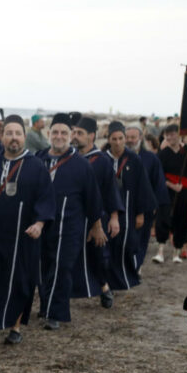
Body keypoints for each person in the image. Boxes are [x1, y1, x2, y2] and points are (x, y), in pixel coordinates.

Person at [0, 115, 54, 345]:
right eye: (9, 133)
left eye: (17, 133)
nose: (13, 138)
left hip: (22, 236)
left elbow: (46, 198)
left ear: (24, 136)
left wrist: (39, 224)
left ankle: (15, 327)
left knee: (20, 282)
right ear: (2, 136)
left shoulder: (36, 166)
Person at [36, 114, 102, 329]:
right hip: (41, 225)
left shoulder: (81, 164)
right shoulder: (38, 159)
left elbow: (92, 198)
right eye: (55, 132)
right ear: (48, 134)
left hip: (69, 226)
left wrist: (96, 226)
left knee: (62, 268)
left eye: (64, 132)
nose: (59, 136)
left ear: (70, 135)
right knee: (44, 266)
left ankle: (55, 314)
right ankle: (46, 306)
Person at [71, 116, 122, 308]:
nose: (75, 136)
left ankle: (104, 287)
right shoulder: (70, 158)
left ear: (91, 136)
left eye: (80, 133)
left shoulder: (102, 161)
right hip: (74, 216)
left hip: (97, 217)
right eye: (74, 132)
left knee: (99, 256)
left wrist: (114, 217)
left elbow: (111, 191)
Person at [103, 121, 152, 291]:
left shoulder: (134, 159)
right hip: (106, 211)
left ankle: (123, 278)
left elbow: (142, 188)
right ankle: (105, 281)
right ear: (109, 139)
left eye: (120, 138)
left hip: (129, 211)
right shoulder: (102, 158)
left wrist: (140, 213)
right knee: (106, 245)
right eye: (114, 139)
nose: (118, 142)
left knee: (126, 245)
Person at [155, 124, 187, 263]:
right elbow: (158, 174)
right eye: (167, 135)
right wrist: (171, 185)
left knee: (182, 220)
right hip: (167, 189)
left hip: (185, 190)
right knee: (163, 217)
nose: (170, 137)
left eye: (173, 134)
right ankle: (160, 251)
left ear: (179, 135)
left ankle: (176, 252)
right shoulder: (163, 153)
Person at [126, 125, 169, 267]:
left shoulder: (151, 158)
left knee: (140, 241)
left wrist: (155, 205)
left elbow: (158, 183)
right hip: (123, 206)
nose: (130, 140)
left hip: (145, 208)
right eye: (127, 137)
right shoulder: (120, 157)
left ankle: (136, 268)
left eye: (133, 137)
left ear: (140, 138)